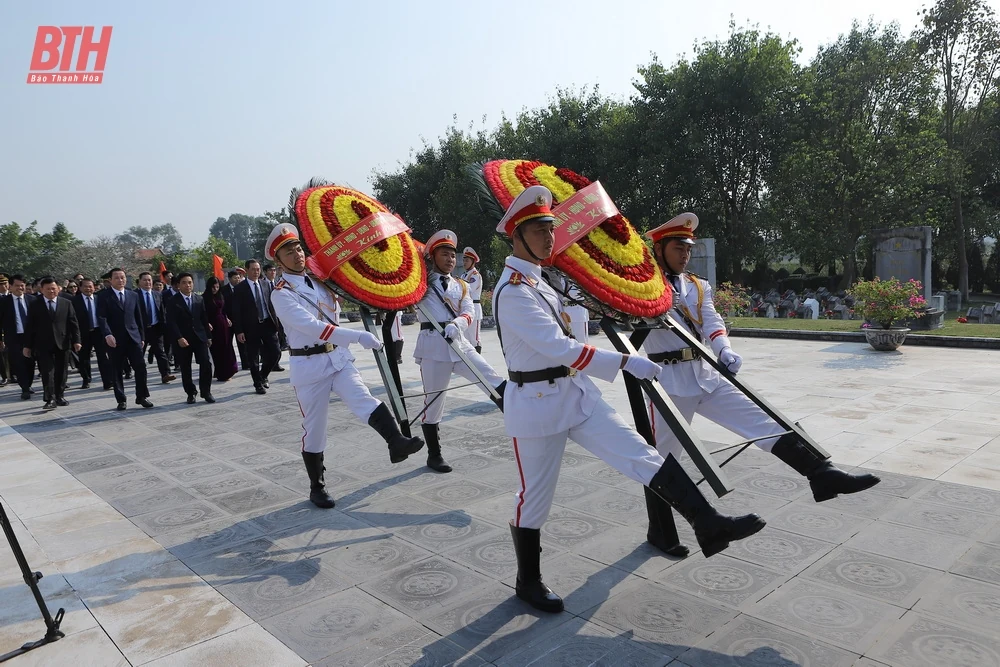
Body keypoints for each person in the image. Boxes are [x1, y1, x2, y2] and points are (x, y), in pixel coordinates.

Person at [492, 186, 765, 613]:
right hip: (537, 404)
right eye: (539, 230)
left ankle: (707, 522)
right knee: (535, 498)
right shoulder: (513, 291)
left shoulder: (544, 283)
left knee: (642, 455)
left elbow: (578, 334)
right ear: (516, 236)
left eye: (550, 229)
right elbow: (557, 347)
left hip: (577, 394)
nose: (549, 238)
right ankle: (527, 581)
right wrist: (624, 363)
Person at [638, 213, 880, 555]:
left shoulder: (697, 285)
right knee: (662, 460)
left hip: (706, 374)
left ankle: (821, 473)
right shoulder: (641, 285)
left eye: (688, 249)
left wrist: (724, 349)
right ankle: (661, 532)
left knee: (764, 422)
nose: (685, 255)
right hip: (667, 381)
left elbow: (712, 320)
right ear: (659, 249)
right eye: (679, 248)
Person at [265, 223, 424, 508]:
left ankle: (395, 442)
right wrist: (356, 336)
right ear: (278, 261)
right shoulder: (281, 293)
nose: (297, 255)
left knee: (363, 398)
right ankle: (317, 486)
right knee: (315, 428)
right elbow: (313, 327)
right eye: (289, 253)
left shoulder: (322, 280)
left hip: (337, 358)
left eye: (298, 249)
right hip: (309, 364)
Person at [414, 230, 506, 473]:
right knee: (434, 402)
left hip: (459, 343)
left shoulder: (462, 285)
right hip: (433, 346)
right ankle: (434, 455)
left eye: (453, 256)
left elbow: (469, 311)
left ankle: (516, 414)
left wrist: (458, 324)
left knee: (490, 376)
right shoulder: (421, 285)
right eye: (444, 255)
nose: (450, 260)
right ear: (433, 257)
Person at [97, 268, 153, 410]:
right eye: (117, 278)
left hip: (133, 337)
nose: (120, 280)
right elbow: (102, 318)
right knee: (116, 370)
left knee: (140, 367)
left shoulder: (133, 295)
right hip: (115, 339)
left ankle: (141, 396)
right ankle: (121, 399)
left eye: (122, 277)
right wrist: (107, 334)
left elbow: (138, 317)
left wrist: (141, 336)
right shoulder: (104, 296)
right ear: (110, 280)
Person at [23, 277, 81, 410]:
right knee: (47, 372)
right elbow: (30, 326)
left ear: (58, 288)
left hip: (63, 342)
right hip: (43, 344)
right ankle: (49, 398)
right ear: (41, 290)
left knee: (62, 371)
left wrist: (77, 341)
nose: (51, 291)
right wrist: (27, 345)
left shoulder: (66, 303)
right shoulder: (35, 305)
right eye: (48, 289)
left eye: (53, 288)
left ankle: (59, 396)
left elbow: (73, 324)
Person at [232, 259, 281, 394]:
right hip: (251, 327)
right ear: (246, 270)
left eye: (258, 269)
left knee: (276, 352)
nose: (256, 272)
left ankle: (263, 374)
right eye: (253, 269)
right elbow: (236, 311)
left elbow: (271, 305)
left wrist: (277, 323)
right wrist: (239, 331)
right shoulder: (240, 288)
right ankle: (257, 384)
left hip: (267, 324)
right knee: (253, 357)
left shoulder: (266, 284)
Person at [167, 273, 215, 404]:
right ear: (178, 285)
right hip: (183, 340)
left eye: (189, 282)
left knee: (206, 364)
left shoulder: (198, 299)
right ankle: (190, 392)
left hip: (199, 337)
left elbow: (204, 319)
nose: (187, 285)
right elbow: (171, 322)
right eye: (184, 282)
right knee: (186, 368)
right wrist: (179, 337)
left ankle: (206, 391)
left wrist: (208, 337)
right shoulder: (173, 301)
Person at [0, 275, 37, 399]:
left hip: (31, 337)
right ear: (10, 286)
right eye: (17, 285)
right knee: (19, 363)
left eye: (22, 285)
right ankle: (24, 388)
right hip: (14, 337)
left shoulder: (32, 300)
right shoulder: (4, 302)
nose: (20, 288)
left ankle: (29, 384)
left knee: (30, 362)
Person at [136, 271, 176, 384]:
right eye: (144, 280)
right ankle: (140, 375)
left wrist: (165, 327)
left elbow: (162, 312)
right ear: (139, 282)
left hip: (156, 328)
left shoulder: (158, 294)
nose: (147, 282)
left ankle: (165, 374)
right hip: (141, 330)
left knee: (160, 352)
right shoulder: (134, 295)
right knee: (139, 354)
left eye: (149, 280)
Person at [72, 278, 112, 390]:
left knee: (103, 357)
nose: (88, 289)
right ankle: (86, 379)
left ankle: (107, 381)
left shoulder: (99, 299)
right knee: (84, 358)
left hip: (98, 332)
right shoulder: (75, 301)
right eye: (85, 286)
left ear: (94, 287)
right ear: (80, 288)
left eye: (90, 286)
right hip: (83, 333)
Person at [203, 277, 238, 381]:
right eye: (213, 287)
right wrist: (206, 323)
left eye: (217, 287)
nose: (215, 289)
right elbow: (203, 313)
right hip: (212, 326)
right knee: (217, 350)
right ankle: (221, 373)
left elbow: (223, 310)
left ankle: (229, 371)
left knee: (227, 348)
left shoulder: (220, 296)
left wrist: (227, 318)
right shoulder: (204, 298)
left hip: (223, 325)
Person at [460, 247, 484, 353]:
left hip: (474, 307)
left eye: (467, 260)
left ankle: (478, 362)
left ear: (473, 262)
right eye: (464, 260)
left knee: (475, 338)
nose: (465, 262)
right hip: (465, 308)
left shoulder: (475, 275)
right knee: (465, 337)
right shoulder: (463, 275)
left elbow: (469, 289)